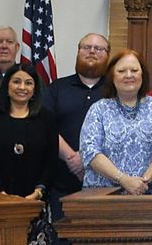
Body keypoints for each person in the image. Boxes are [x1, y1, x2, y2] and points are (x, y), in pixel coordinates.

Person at [79, 49, 152, 194]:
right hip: (103, 197)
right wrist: (123, 179)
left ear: (142, 74)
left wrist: (143, 181)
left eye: (134, 70)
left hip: (148, 194)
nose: (129, 75)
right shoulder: (99, 109)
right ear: (112, 76)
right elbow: (90, 151)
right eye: (122, 71)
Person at [42, 33, 109, 214]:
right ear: (78, 53)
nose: (92, 52)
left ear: (108, 56)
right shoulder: (57, 88)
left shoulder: (114, 91)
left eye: (99, 48)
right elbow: (45, 127)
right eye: (86, 47)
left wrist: (87, 159)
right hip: (61, 185)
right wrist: (72, 158)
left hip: (105, 187)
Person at [0, 63, 58, 200]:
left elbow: (51, 161)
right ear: (7, 86)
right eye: (16, 82)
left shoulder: (46, 119)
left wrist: (38, 192)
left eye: (28, 83)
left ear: (35, 89)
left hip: (35, 202)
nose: (22, 87)